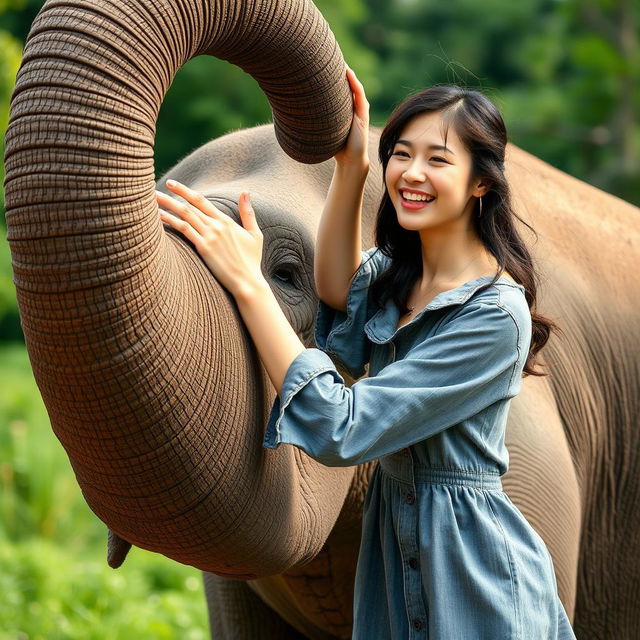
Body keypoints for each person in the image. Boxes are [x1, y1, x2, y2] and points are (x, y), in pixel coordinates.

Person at [156, 67, 577, 639]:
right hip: (395, 554)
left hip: (475, 576)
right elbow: (337, 289)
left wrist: (249, 284)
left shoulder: (494, 317)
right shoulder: (403, 273)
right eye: (402, 154)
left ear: (482, 181)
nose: (411, 173)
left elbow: (342, 427)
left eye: (438, 159)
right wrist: (349, 166)